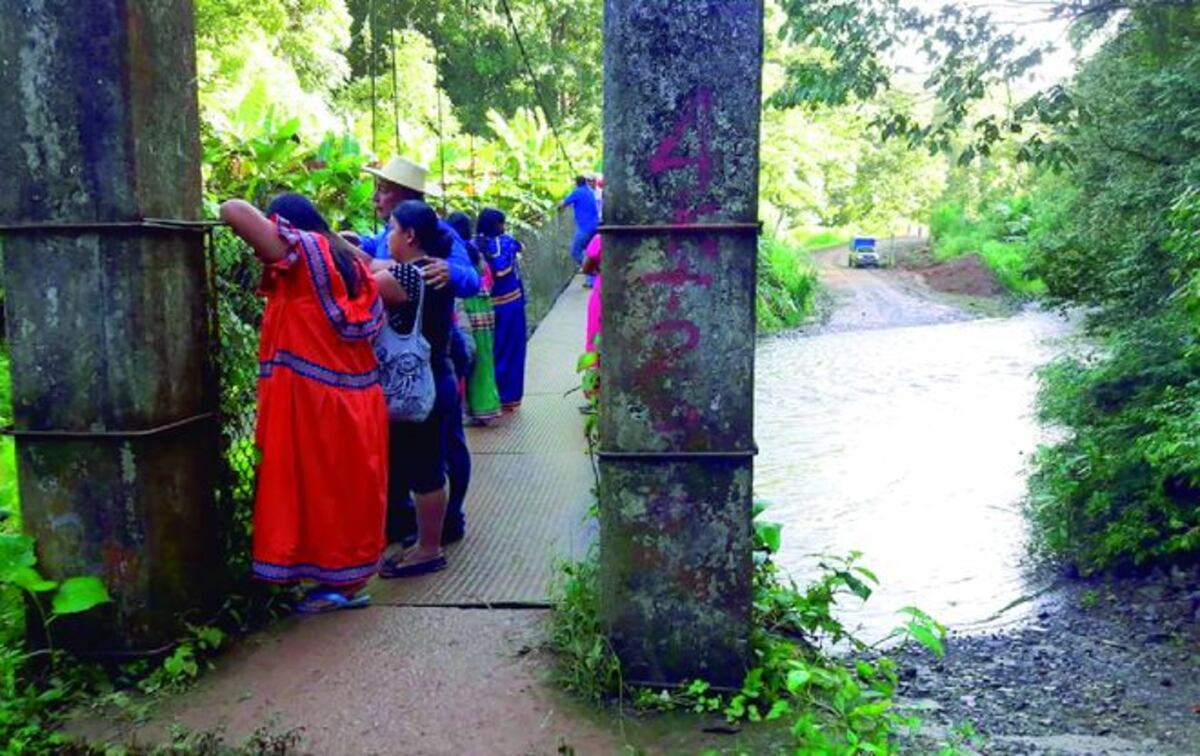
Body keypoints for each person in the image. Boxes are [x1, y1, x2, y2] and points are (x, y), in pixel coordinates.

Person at [219, 193, 387, 614]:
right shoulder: (348, 260)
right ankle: (343, 583)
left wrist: (273, 230)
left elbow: (231, 210)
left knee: (319, 495)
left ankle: (333, 587)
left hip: (318, 405)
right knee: (345, 494)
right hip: (358, 399)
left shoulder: (304, 254)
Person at [357, 157, 474, 546]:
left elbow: (469, 278)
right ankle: (407, 522)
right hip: (401, 358)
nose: (377, 196)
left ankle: (447, 522)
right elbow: (373, 263)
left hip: (432, 351)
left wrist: (450, 272)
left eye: (385, 189)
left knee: (445, 442)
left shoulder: (436, 235)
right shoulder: (383, 235)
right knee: (408, 447)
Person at [374, 200, 457, 577]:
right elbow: (376, 267)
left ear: (409, 235)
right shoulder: (428, 270)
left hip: (418, 385)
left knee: (424, 467)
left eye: (391, 228)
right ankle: (426, 542)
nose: (387, 236)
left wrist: (323, 245)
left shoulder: (412, 277)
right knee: (426, 463)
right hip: (434, 375)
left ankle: (427, 549)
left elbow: (363, 282)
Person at [447, 212, 502, 424]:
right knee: (485, 357)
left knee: (465, 359)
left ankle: (469, 409)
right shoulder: (475, 249)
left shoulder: (452, 251)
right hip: (485, 308)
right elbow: (489, 278)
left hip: (465, 309)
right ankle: (486, 406)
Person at [475, 208, 527, 412]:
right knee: (512, 351)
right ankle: (508, 397)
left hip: (483, 308)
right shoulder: (506, 242)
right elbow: (518, 249)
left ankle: (488, 397)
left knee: (488, 351)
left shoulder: (473, 244)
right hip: (510, 305)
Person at [559, 175, 599, 288]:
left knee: (575, 251)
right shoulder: (590, 191)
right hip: (595, 226)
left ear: (576, 183)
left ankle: (592, 270)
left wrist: (558, 206)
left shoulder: (577, 192)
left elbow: (563, 204)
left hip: (584, 228)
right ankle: (591, 281)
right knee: (589, 251)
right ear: (586, 182)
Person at [582, 233, 602, 353]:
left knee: (595, 339)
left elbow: (586, 268)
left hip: (603, 292)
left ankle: (595, 369)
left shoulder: (601, 239)